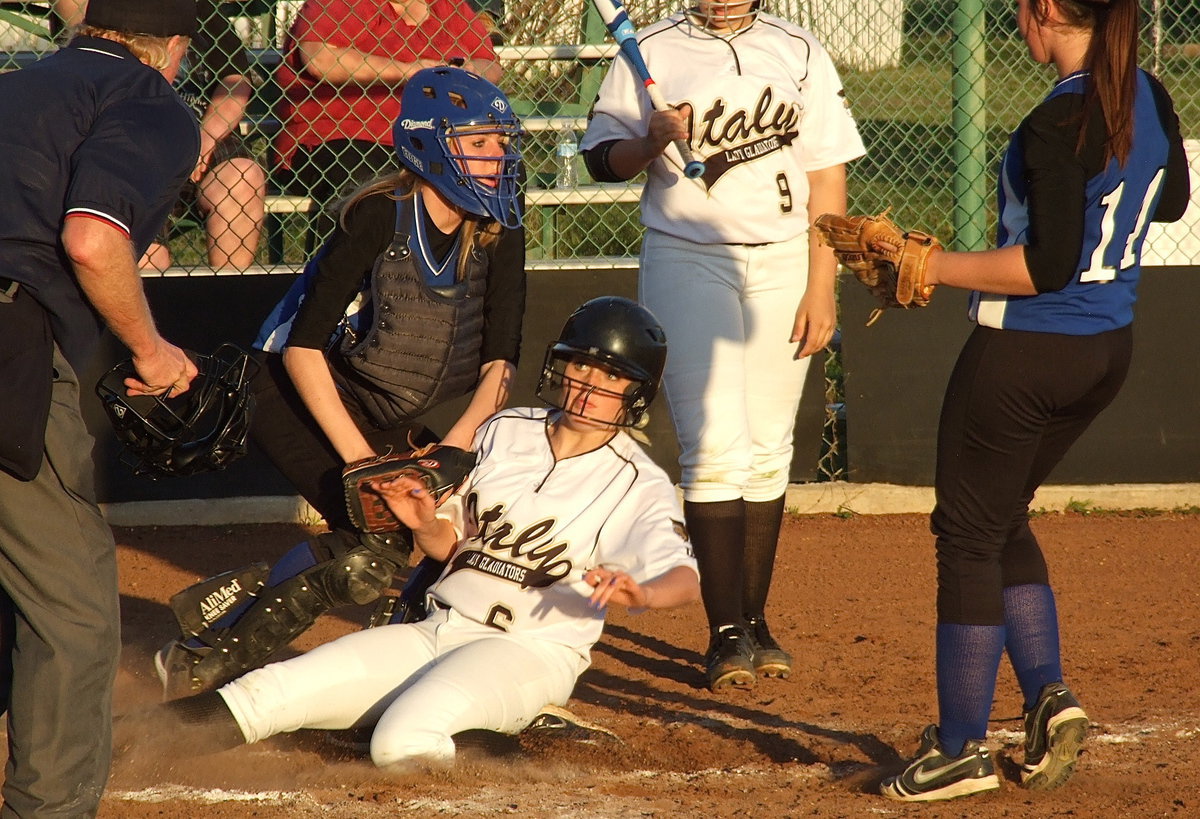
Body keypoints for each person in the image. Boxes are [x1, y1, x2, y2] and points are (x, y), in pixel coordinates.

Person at [122, 296, 700, 768]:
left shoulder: (636, 481)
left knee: (402, 740)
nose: (588, 386)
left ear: (635, 394)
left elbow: (685, 580)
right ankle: (107, 744)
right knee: (269, 692)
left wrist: (644, 593)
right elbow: (448, 548)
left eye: (610, 376)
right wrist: (423, 521)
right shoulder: (507, 431)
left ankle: (521, 743)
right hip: (438, 628)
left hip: (530, 651)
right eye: (581, 366)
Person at [874, 0, 1189, 802]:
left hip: (1026, 352)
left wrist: (933, 263)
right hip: (1105, 348)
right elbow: (1175, 200)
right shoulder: (1145, 91)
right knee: (1001, 514)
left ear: (1046, 11)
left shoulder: (1060, 121)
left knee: (969, 535)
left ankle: (961, 748)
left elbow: (1044, 267)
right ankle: (1049, 696)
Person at [155, 65, 526, 700]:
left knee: (460, 528)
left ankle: (409, 664)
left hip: (381, 406)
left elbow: (501, 364)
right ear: (429, 144)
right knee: (372, 548)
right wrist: (362, 463)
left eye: (501, 141)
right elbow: (301, 351)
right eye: (480, 141)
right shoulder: (379, 218)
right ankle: (203, 657)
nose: (499, 157)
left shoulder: (498, 227)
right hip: (287, 388)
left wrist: (452, 452)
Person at [579, 0, 865, 690]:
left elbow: (827, 176)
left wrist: (822, 284)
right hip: (688, 255)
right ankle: (724, 629)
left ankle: (756, 619)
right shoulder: (649, 48)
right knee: (713, 447)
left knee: (769, 448)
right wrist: (649, 143)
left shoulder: (798, 48)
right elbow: (600, 160)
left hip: (786, 260)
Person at [0, 0, 201, 813]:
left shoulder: (18, 87)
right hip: (13, 341)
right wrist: (151, 350)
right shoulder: (149, 100)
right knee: (75, 615)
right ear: (175, 47)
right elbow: (91, 236)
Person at [275, 0, 503, 250]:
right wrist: (408, 71)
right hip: (343, 133)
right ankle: (341, 280)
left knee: (499, 171)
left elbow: (488, 63)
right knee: (364, 175)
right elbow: (320, 57)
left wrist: (466, 73)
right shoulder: (341, 4)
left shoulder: (447, 6)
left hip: (431, 139)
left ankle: (469, 276)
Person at [139, 0, 267, 271]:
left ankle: (227, 298)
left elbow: (237, 82)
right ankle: (147, 303)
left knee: (243, 176)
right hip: (144, 142)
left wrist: (203, 139)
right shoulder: (118, 15)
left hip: (203, 136)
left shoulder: (202, 12)